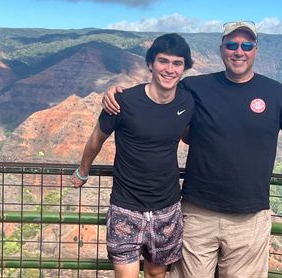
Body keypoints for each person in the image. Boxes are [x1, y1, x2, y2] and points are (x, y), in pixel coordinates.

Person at [102, 21, 282, 278]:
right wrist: (117, 93)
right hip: (197, 216)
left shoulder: (279, 95)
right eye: (232, 45)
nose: (239, 51)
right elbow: (159, 90)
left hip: (249, 219)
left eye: (247, 45)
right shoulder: (195, 88)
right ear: (221, 49)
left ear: (256, 50)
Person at [71, 33, 195, 278]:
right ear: (150, 63)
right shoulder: (122, 101)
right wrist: (82, 170)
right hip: (126, 208)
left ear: (185, 67)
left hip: (166, 208)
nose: (169, 69)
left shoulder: (187, 102)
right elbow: (97, 138)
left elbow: (187, 134)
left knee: (157, 273)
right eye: (163, 61)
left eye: (177, 63)